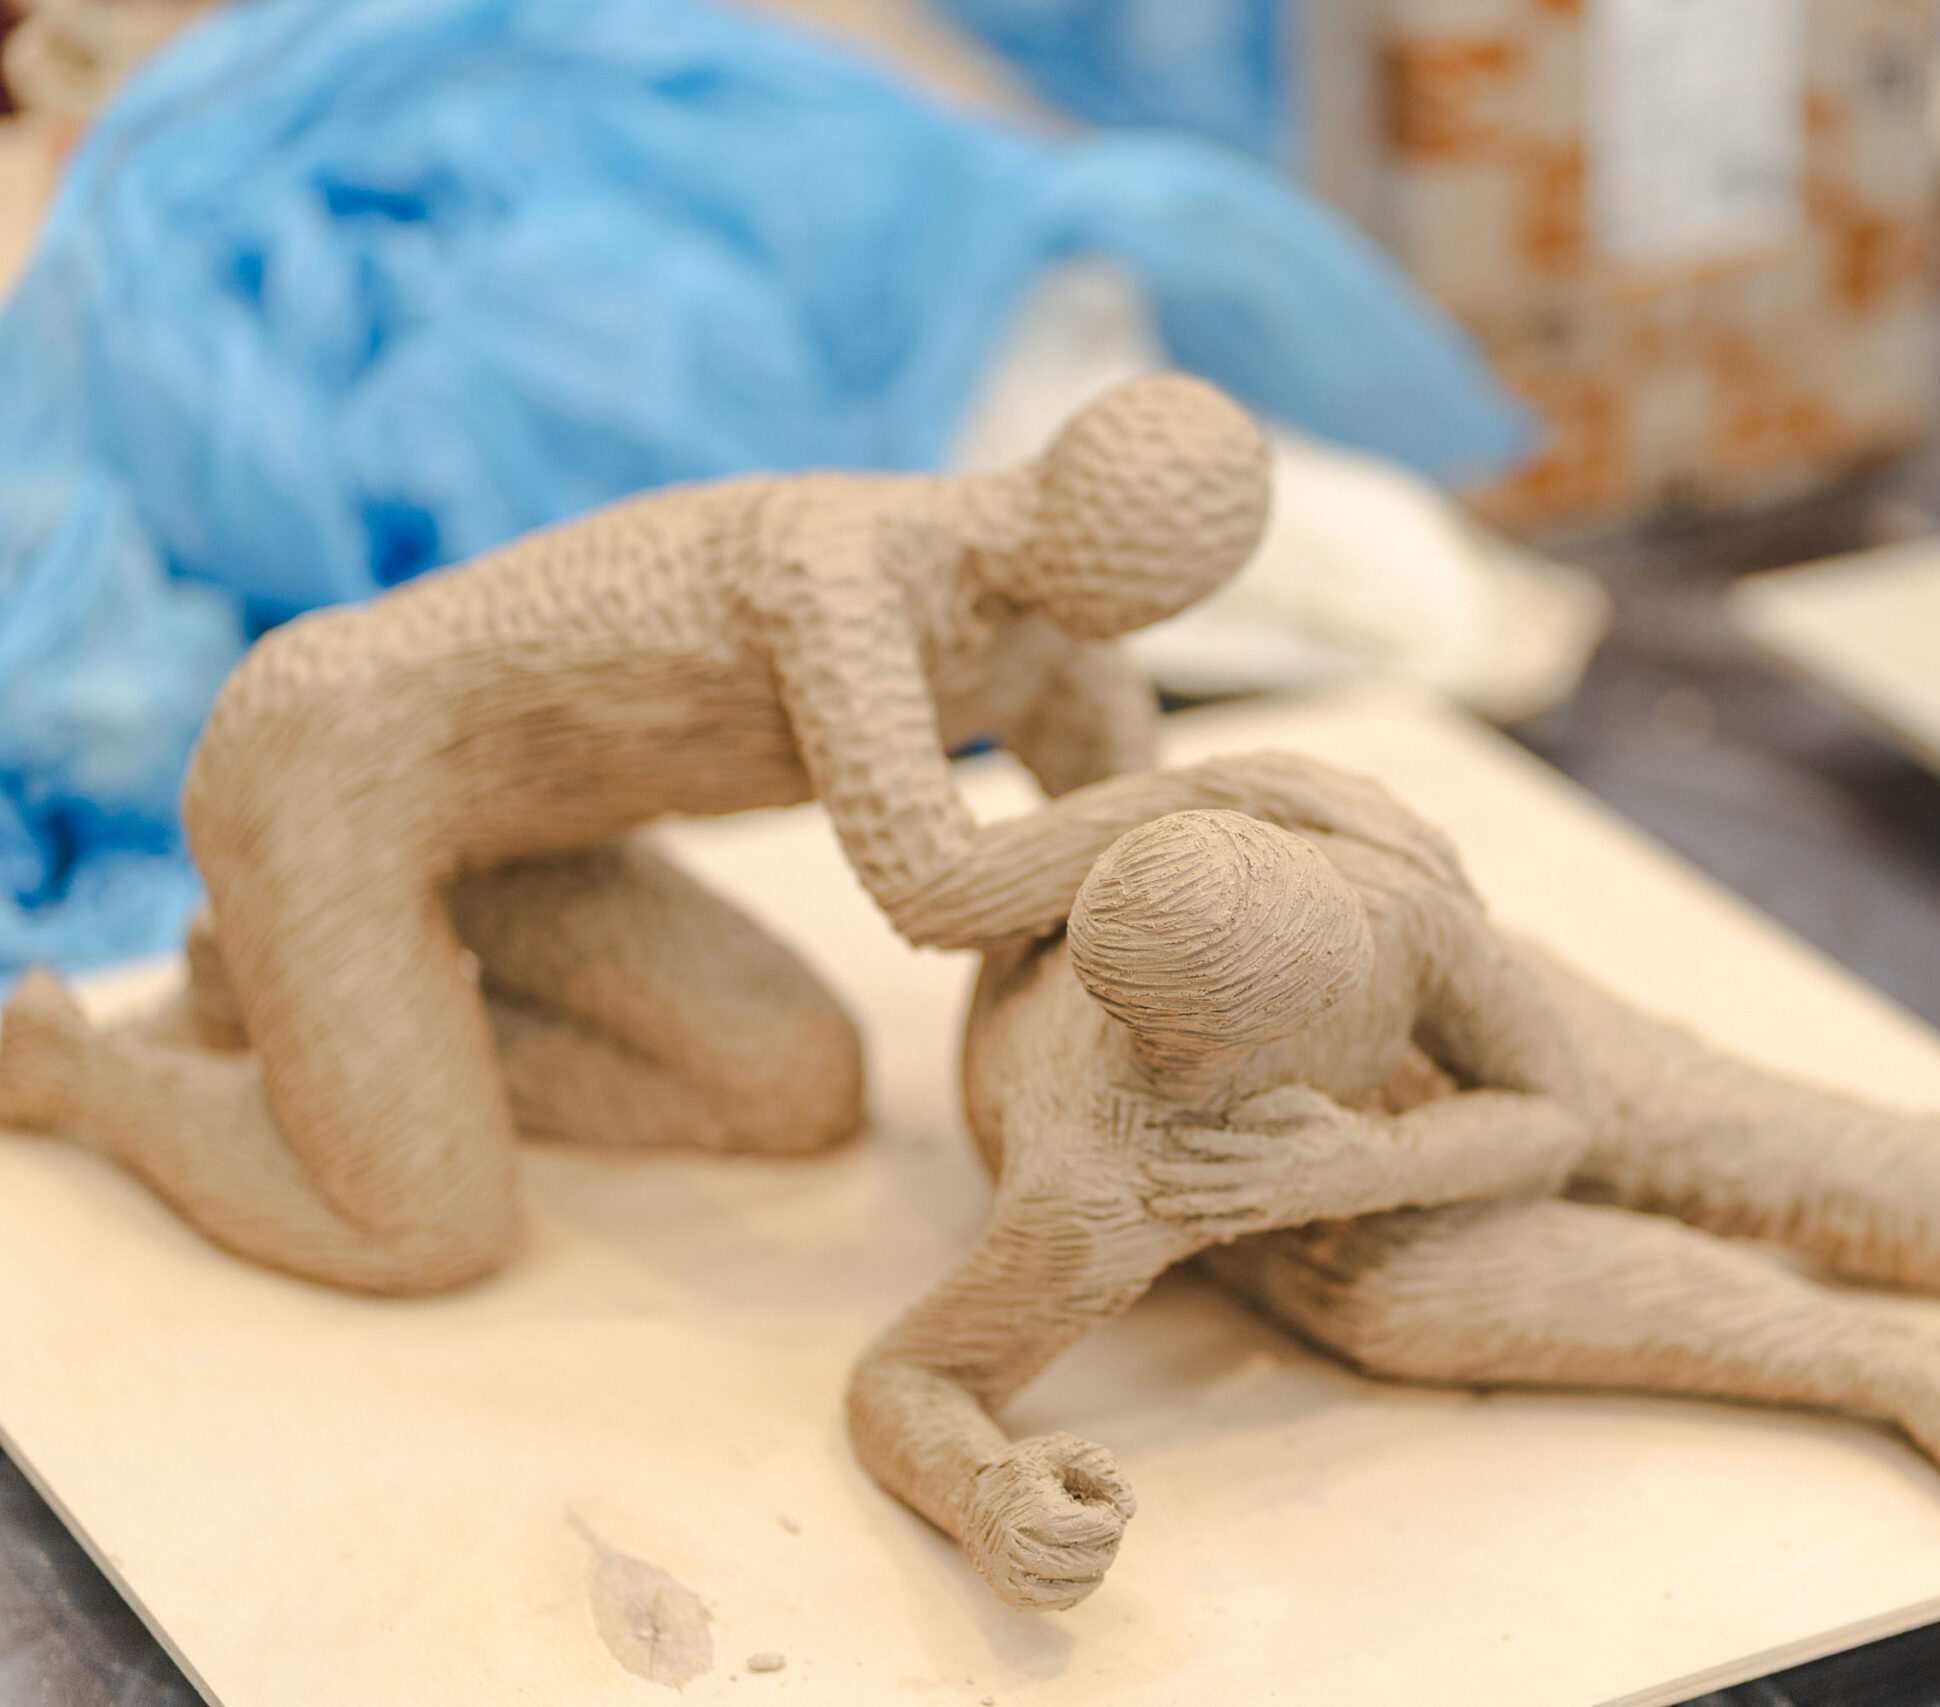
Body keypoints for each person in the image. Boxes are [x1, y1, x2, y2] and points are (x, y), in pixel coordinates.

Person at [0, 375, 1398, 1294]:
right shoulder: (835, 566)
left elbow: (1088, 919)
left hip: (525, 839)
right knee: (425, 1225)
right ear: (1047, 472)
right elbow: (935, 887)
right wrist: (1216, 792)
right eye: (1060, 533)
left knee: (793, 1088)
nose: (1080, 604)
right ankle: (81, 1068)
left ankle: (324, 1021)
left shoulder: (1066, 652)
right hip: (331, 760)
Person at [851, 785, 1940, 1612]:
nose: (1370, 1004)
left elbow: (1556, 1111)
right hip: (1253, 1183)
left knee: (1743, 1132)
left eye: (1359, 969)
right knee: (1406, 1296)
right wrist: (989, 1497)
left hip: (1342, 1129)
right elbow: (909, 1378)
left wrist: (1373, 1154)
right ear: (1219, 1052)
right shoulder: (1107, 1174)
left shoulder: (1379, 896)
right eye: (1324, 1016)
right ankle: (1905, 1366)